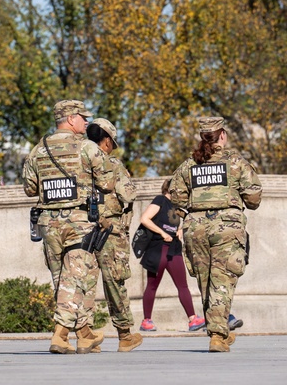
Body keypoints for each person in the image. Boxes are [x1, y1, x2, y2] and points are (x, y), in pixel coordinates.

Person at [23, 100, 110, 355]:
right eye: (83, 118)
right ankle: (60, 335)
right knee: (74, 278)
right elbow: (107, 183)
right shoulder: (87, 148)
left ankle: (84, 334)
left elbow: (29, 188)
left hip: (48, 223)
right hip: (78, 222)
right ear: (71, 119)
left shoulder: (39, 150)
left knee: (63, 279)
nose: (86, 123)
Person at [169, 116, 262, 352]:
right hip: (227, 227)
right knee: (222, 281)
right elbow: (254, 198)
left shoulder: (189, 164)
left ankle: (218, 329)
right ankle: (218, 335)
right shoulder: (235, 162)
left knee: (205, 281)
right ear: (222, 135)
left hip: (195, 227)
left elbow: (176, 198)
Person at [84, 118, 143, 352]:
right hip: (110, 230)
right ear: (107, 140)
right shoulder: (112, 164)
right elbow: (128, 196)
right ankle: (125, 335)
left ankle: (86, 336)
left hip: (83, 228)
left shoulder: (79, 164)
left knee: (84, 284)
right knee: (114, 282)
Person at [137, 178, 205, 332]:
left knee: (183, 285)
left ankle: (193, 319)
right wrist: (162, 233)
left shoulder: (178, 206)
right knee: (152, 286)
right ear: (171, 189)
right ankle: (146, 320)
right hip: (158, 248)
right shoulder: (160, 200)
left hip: (173, 248)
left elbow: (185, 219)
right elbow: (145, 219)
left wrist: (181, 229)